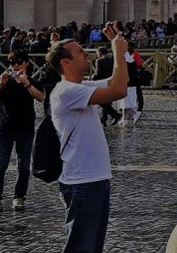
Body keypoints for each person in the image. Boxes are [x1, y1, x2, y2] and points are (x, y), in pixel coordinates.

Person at [47, 23, 131, 253]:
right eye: (79, 52)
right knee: (81, 248)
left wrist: (120, 49)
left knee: (92, 247)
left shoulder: (80, 86)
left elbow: (116, 82)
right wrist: (117, 52)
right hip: (81, 182)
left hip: (95, 179)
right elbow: (119, 90)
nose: (87, 53)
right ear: (65, 62)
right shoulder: (67, 92)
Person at [0, 51, 44, 212]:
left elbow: (40, 97)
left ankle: (19, 197)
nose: (15, 66)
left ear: (26, 63)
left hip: (26, 128)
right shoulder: (5, 80)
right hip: (5, 128)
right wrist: (0, 85)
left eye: (18, 62)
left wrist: (26, 83)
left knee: (24, 165)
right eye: (11, 63)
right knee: (0, 164)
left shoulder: (32, 81)